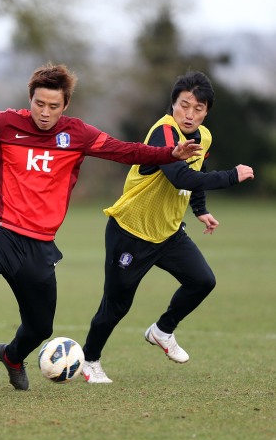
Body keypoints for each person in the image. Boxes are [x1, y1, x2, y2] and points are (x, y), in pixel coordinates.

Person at [0, 62, 203, 391]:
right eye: (39, 104)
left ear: (65, 106)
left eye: (53, 106)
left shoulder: (78, 134)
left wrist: (170, 154)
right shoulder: (7, 124)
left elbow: (126, 151)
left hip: (39, 246)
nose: (45, 113)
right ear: (29, 99)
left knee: (40, 327)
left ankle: (13, 356)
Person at [81, 71, 254, 383]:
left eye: (198, 109)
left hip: (168, 232)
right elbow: (180, 177)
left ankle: (162, 330)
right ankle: (89, 361)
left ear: (206, 112)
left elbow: (196, 171)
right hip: (131, 231)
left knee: (202, 280)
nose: (189, 114)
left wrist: (200, 210)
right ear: (172, 104)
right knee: (117, 304)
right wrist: (231, 176)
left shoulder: (204, 137)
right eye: (184, 105)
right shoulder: (164, 132)